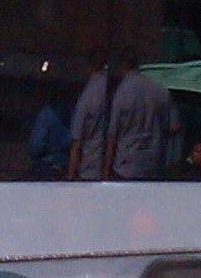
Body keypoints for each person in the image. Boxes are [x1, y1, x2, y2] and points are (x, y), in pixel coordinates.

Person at [67, 50, 182, 181]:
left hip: (126, 166)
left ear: (122, 66)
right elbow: (175, 126)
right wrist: (155, 136)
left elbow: (112, 137)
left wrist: (105, 171)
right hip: (153, 165)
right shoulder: (160, 90)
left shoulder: (120, 93)